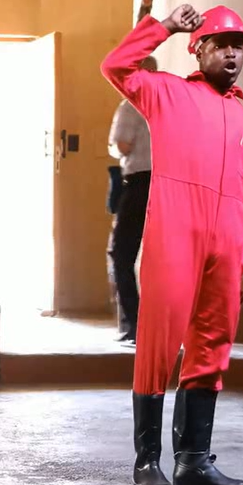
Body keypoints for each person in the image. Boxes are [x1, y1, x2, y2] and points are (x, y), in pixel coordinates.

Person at [100, 4, 243, 485]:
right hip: (175, 235)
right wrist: (164, 27)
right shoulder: (167, 92)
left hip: (226, 242)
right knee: (158, 343)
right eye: (221, 44)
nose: (232, 54)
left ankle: (193, 461)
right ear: (199, 50)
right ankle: (147, 462)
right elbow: (115, 66)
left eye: (238, 47)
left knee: (213, 346)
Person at [107, 96, 152, 345]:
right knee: (162, 259)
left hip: (139, 185)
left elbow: (122, 146)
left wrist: (112, 148)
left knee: (121, 254)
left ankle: (136, 324)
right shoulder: (170, 103)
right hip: (171, 185)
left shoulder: (131, 105)